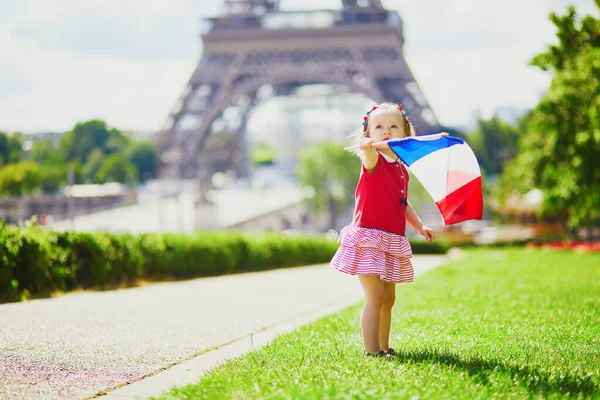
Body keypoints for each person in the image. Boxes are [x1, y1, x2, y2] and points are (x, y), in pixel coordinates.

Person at [330, 102, 436, 357]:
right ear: (368, 134)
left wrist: (419, 225)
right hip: (369, 240)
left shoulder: (401, 169)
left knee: (389, 299)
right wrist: (368, 150)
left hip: (391, 240)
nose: (386, 131)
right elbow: (369, 158)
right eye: (378, 127)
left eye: (393, 126)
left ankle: (384, 346)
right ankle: (372, 351)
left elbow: (403, 203)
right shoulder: (373, 160)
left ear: (404, 133)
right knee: (375, 297)